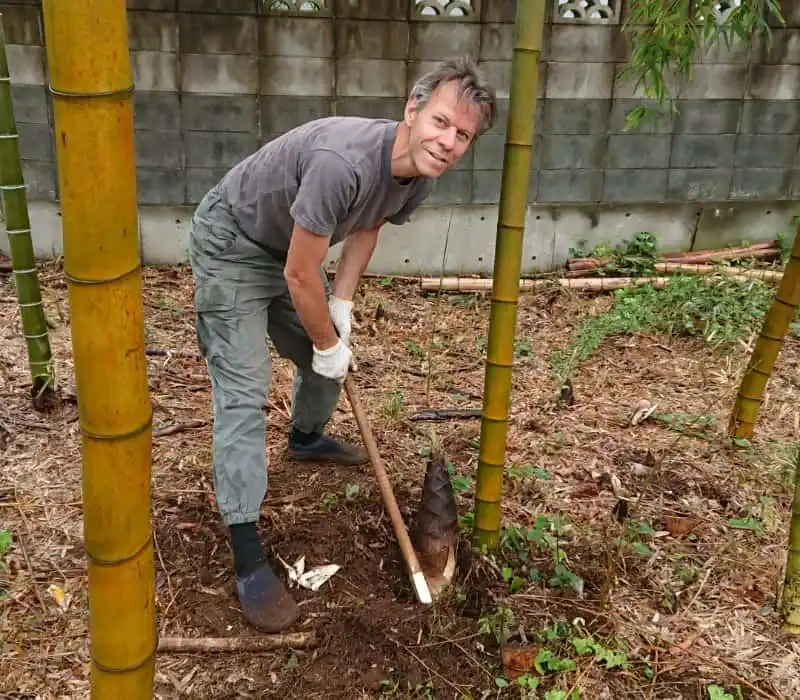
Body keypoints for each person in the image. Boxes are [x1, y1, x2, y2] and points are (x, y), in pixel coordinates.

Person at [188, 56, 497, 633]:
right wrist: (326, 329)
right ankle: (246, 550)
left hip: (284, 254)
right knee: (244, 390)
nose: (449, 142)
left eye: (463, 135)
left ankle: (305, 438)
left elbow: (368, 226)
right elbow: (301, 276)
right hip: (234, 240)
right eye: (440, 123)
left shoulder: (417, 179)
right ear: (412, 109)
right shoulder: (343, 163)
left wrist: (343, 304)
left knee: (324, 361)